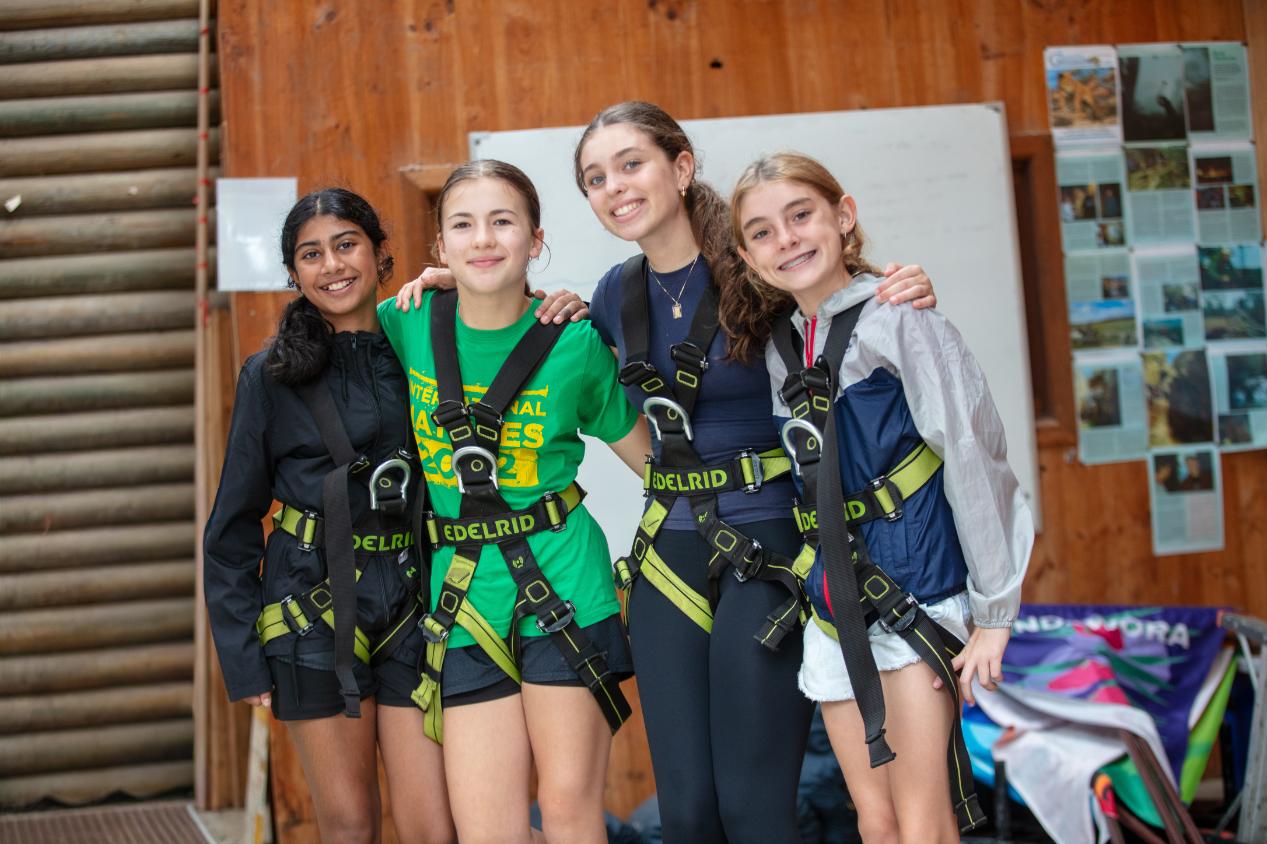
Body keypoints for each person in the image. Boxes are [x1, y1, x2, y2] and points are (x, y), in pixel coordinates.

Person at [398, 100, 938, 844]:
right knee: (685, 815)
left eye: (631, 165)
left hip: (767, 544)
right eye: (596, 178)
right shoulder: (611, 297)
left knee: (753, 811)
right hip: (668, 552)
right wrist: (459, 278)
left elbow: (835, 296)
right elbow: (526, 331)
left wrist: (896, 285)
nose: (614, 186)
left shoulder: (757, 269)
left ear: (681, 169)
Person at [731, 151, 1032, 842]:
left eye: (801, 216)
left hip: (917, 593)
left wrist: (994, 613)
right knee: (877, 819)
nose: (787, 239)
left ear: (843, 216)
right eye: (763, 232)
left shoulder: (901, 318)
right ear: (747, 257)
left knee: (925, 821)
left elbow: (972, 456)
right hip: (834, 605)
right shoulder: (779, 349)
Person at [377, 159, 652, 844]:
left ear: (535, 239)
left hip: (567, 587)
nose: (483, 239)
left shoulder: (574, 341)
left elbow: (656, 465)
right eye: (462, 225)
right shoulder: (406, 321)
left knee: (566, 812)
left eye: (502, 222)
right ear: (440, 246)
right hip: (463, 601)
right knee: (488, 829)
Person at [203, 188, 454, 844]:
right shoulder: (270, 376)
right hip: (309, 608)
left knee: (434, 827)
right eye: (311, 254)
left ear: (379, 253)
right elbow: (232, 524)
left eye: (346, 245)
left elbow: (510, 330)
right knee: (349, 826)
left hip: (416, 601)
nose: (332, 265)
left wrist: (467, 288)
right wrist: (243, 655)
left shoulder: (423, 349)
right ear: (294, 272)